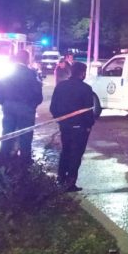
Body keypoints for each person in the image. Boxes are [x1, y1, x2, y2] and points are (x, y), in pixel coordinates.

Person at [49, 62, 96, 191]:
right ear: (82, 73)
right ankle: (70, 183)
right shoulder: (86, 88)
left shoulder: (61, 86)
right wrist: (89, 125)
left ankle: (61, 178)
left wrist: (61, 121)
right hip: (80, 128)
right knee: (76, 154)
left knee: (65, 152)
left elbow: (53, 107)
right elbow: (88, 110)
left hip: (65, 127)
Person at [0, 50, 43, 160]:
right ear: (27, 59)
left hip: (8, 106)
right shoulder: (31, 73)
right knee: (25, 136)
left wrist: (4, 102)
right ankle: (24, 162)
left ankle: (3, 159)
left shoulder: (6, 72)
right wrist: (32, 105)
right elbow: (37, 92)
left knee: (7, 133)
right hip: (25, 108)